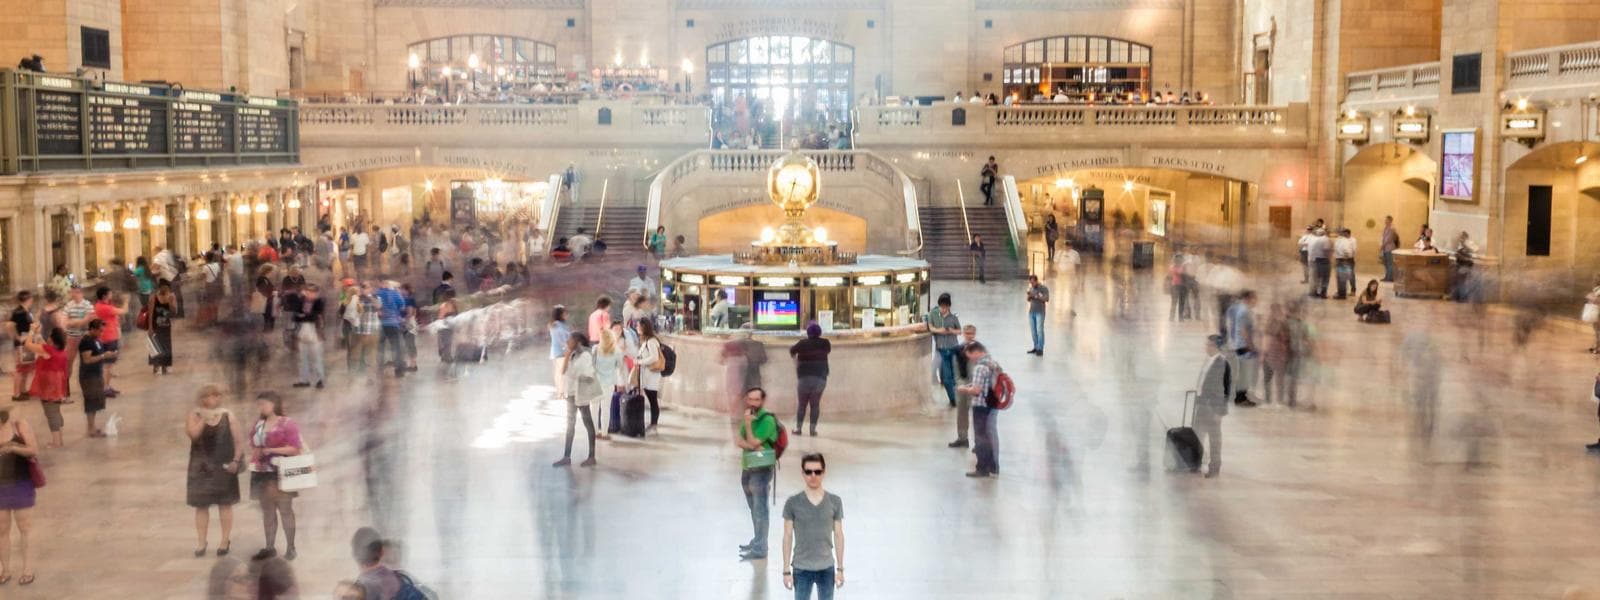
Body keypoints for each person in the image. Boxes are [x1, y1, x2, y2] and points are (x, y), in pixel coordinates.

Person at [188, 385, 243, 558]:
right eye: (207, 396)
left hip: (223, 464)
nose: (211, 399)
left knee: (225, 503)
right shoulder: (194, 414)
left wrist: (235, 460)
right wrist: (204, 419)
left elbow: (238, 441)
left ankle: (224, 540)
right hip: (201, 466)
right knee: (201, 505)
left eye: (215, 395)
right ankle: (201, 541)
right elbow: (193, 435)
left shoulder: (228, 415)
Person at [781, 453, 846, 600]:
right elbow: (787, 536)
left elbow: (838, 534)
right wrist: (786, 570)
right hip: (801, 568)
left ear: (824, 472)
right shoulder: (792, 503)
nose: (813, 476)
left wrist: (840, 569)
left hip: (827, 567)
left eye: (817, 471)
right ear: (803, 473)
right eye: (809, 472)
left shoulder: (835, 502)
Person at [249, 391, 304, 561]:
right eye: (260, 405)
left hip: (280, 471)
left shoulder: (287, 423)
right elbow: (253, 443)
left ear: (274, 404)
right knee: (267, 511)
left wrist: (272, 450)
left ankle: (291, 546)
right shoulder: (259, 424)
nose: (262, 407)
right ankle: (270, 546)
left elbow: (295, 448)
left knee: (285, 509)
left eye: (264, 404)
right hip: (262, 471)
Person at [732, 387, 779, 561]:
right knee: (754, 508)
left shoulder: (767, 421)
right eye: (750, 399)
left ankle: (761, 548)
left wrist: (749, 429)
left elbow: (751, 441)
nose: (752, 403)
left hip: (761, 470)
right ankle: (758, 540)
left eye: (756, 400)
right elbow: (739, 441)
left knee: (760, 510)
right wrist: (751, 444)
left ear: (762, 401)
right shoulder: (748, 417)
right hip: (747, 467)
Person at [0, 405, 39, 585]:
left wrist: (14, 447)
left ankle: (27, 569)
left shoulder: (19, 426)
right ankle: (5, 570)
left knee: (25, 529)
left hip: (21, 483)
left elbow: (33, 450)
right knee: (2, 531)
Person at [554, 333, 600, 468]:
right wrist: (568, 356)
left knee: (588, 423)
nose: (567, 341)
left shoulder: (585, 356)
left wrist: (575, 373)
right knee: (570, 425)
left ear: (577, 342)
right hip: (572, 393)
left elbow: (588, 375)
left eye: (570, 340)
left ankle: (592, 457)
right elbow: (564, 372)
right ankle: (566, 457)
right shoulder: (573, 355)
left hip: (581, 394)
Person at [956, 342, 1001, 478]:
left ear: (976, 352)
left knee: (980, 437)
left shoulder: (980, 367)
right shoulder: (993, 363)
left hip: (981, 406)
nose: (970, 359)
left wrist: (964, 389)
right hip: (992, 404)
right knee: (989, 435)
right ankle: (994, 465)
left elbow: (976, 390)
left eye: (970, 356)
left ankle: (982, 468)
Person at [21, 326, 67, 448]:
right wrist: (38, 333)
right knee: (55, 411)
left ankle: (56, 442)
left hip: (48, 384)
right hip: (58, 384)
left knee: (50, 412)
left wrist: (31, 331)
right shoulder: (59, 350)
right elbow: (43, 344)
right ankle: (59, 439)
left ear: (52, 339)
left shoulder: (47, 350)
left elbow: (27, 345)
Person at [1193, 334, 1231, 477]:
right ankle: (1197, 461)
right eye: (1206, 344)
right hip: (1203, 404)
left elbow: (1225, 389)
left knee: (1214, 439)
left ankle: (1214, 467)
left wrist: (1220, 412)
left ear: (1216, 347)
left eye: (1209, 345)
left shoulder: (1222, 364)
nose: (1206, 347)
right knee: (1197, 434)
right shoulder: (1208, 360)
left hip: (1213, 408)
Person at [789, 323, 831, 436]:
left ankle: (798, 429)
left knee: (802, 405)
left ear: (807, 333)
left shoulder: (802, 343)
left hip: (804, 377)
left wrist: (796, 362)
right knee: (815, 404)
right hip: (820, 378)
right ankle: (812, 430)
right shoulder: (825, 343)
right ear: (820, 332)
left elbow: (792, 350)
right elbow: (827, 351)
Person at [926, 293, 962, 408]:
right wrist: (939, 330)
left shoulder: (953, 318)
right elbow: (930, 327)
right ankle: (953, 399)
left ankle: (956, 398)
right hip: (942, 350)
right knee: (947, 378)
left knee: (954, 376)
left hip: (953, 348)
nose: (943, 309)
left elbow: (959, 331)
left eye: (945, 307)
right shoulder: (934, 315)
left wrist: (951, 330)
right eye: (942, 306)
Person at [1225, 291, 1259, 407]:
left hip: (1239, 344)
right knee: (1244, 372)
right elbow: (1244, 331)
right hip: (1244, 345)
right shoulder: (1244, 311)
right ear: (1249, 298)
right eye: (1255, 298)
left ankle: (1242, 396)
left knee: (1244, 372)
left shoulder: (1239, 308)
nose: (1256, 301)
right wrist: (1251, 346)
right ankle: (1240, 398)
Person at [948, 325, 979, 448]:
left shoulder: (979, 349)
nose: (969, 336)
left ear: (975, 334)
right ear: (963, 334)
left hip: (976, 385)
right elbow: (955, 367)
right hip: (962, 384)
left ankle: (979, 443)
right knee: (961, 412)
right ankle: (962, 438)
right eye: (967, 333)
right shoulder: (958, 349)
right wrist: (958, 382)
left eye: (971, 333)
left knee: (977, 414)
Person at [92, 287, 126, 397]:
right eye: (109, 293)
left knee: (109, 365)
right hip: (108, 337)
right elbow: (123, 311)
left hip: (109, 336)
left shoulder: (101, 305)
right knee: (107, 365)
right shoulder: (103, 307)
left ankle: (107, 386)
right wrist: (126, 301)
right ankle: (105, 388)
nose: (112, 294)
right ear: (104, 296)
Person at [292, 284, 326, 388]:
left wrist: (303, 315)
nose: (310, 294)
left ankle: (319, 380)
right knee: (302, 358)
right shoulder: (300, 301)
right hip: (302, 331)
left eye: (313, 292)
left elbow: (315, 316)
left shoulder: (319, 302)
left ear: (316, 293)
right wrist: (304, 316)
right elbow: (295, 317)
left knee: (316, 357)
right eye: (308, 291)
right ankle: (304, 380)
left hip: (315, 331)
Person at [635, 318, 664, 433]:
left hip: (652, 374)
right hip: (648, 374)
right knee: (651, 398)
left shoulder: (651, 341)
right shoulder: (646, 341)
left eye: (638, 326)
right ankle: (653, 423)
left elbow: (654, 357)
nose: (637, 328)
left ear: (644, 327)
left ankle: (654, 424)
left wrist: (640, 362)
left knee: (653, 399)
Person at [6, 291, 35, 401]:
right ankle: (16, 394)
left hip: (27, 343)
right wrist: (17, 337)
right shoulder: (18, 312)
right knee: (20, 369)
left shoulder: (26, 311)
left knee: (25, 368)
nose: (32, 300)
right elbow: (9, 325)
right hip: (21, 345)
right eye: (31, 298)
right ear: (27, 298)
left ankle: (23, 390)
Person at [148, 283, 178, 374]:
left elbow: (174, 313)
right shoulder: (154, 298)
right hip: (156, 326)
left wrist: (170, 302)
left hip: (166, 326)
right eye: (165, 295)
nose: (166, 297)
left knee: (166, 346)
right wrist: (150, 327)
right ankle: (156, 366)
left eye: (168, 294)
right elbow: (151, 314)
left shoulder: (171, 298)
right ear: (161, 294)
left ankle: (165, 366)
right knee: (155, 345)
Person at [1025, 275, 1049, 356]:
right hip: (1032, 312)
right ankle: (1036, 346)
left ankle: (1040, 349)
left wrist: (1035, 296)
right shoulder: (1031, 288)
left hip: (1040, 312)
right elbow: (1028, 300)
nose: (1032, 284)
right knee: (1033, 331)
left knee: (1039, 330)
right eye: (1030, 283)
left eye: (1033, 282)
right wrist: (1029, 296)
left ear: (1036, 281)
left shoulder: (1043, 288)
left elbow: (1046, 299)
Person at [1307, 228, 1332, 298]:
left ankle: (1314, 292)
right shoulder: (1326, 239)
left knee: (1316, 277)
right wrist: (1329, 258)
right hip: (1324, 260)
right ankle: (1323, 293)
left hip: (1315, 260)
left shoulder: (1315, 240)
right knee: (1325, 278)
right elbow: (1326, 250)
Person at [1333, 228, 1357, 299]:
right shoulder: (1340, 240)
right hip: (1342, 259)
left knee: (1350, 276)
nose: (1343, 234)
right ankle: (1342, 292)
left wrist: (1346, 258)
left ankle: (1352, 290)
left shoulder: (1352, 240)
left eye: (1344, 233)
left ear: (1348, 233)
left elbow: (1352, 250)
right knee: (1341, 277)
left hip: (1348, 259)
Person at [1380, 216, 1401, 282]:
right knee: (1386, 264)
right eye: (1385, 219)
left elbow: (1389, 239)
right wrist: (1382, 245)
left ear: (1390, 220)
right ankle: (1387, 277)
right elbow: (1383, 237)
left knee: (1390, 264)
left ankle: (1390, 278)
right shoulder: (1385, 228)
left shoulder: (1392, 228)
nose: (1385, 221)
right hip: (1385, 248)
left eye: (1386, 220)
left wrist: (1383, 245)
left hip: (1390, 248)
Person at [1585, 276, 1600, 354]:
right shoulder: (1597, 289)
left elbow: (1597, 300)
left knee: (1598, 331)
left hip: (1598, 311)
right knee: (1596, 330)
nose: (1596, 280)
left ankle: (1597, 348)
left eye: (1597, 279)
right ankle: (1596, 346)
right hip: (1596, 310)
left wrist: (1591, 298)